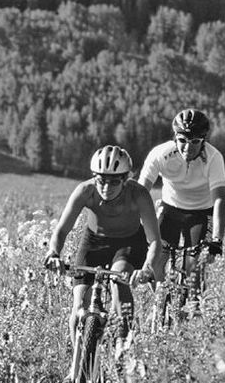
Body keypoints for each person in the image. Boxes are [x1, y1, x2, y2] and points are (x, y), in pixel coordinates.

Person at [44, 144, 162, 352]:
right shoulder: (85, 191)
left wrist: (148, 268)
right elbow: (61, 231)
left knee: (120, 277)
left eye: (114, 182)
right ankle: (76, 369)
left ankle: (122, 346)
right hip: (94, 243)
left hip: (128, 244)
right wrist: (53, 253)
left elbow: (154, 241)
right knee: (79, 305)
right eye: (101, 181)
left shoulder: (139, 194)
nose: (106, 187)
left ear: (126, 179)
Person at [138, 109, 225, 265]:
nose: (188, 147)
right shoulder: (160, 154)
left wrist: (217, 239)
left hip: (202, 213)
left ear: (203, 141)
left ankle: (191, 287)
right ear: (175, 138)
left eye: (195, 142)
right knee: (155, 262)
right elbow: (140, 191)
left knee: (194, 267)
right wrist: (134, 222)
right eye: (182, 140)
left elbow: (220, 199)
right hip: (170, 210)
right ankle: (160, 289)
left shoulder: (214, 158)